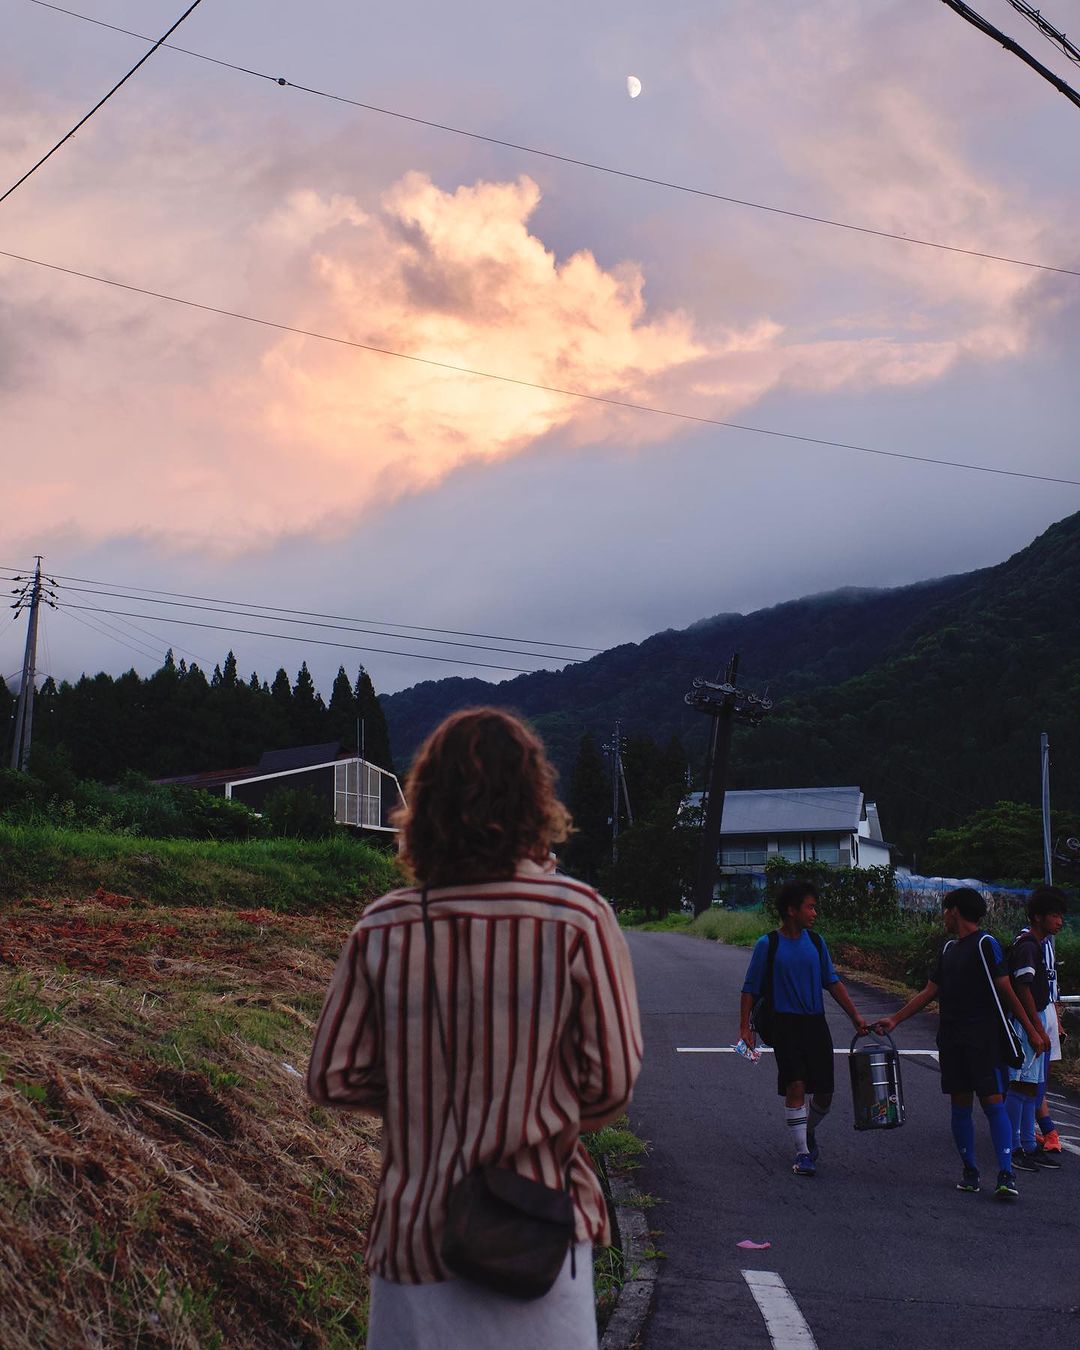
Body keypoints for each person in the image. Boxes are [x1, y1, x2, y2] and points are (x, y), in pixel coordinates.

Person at [307, 707, 643, 1350]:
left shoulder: (383, 926)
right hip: (538, 1230)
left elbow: (333, 1074)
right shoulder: (578, 916)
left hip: (415, 1238)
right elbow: (613, 1084)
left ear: (424, 806)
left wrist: (424, 1093)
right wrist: (529, 1103)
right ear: (535, 802)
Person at [876, 887, 1050, 1200]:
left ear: (955, 911)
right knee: (960, 1106)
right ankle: (970, 1171)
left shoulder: (986, 943)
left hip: (983, 1039)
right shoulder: (948, 949)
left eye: (945, 910)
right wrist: (895, 1019)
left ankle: (1006, 1174)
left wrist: (1032, 1029)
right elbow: (930, 991)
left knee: (992, 1103)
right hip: (953, 1039)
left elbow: (1007, 990)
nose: (943, 916)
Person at [739, 879, 869, 1177]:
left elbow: (832, 981)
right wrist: (744, 1028)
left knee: (824, 1093)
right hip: (784, 1025)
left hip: (815, 1024)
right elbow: (749, 989)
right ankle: (803, 1153)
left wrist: (855, 1017)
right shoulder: (767, 944)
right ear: (791, 910)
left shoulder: (816, 942)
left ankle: (807, 1132)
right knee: (795, 1084)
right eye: (810, 907)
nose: (814, 913)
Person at [1006, 886, 1067, 1171]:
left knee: (1031, 1087)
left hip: (1036, 1018)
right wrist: (1034, 1028)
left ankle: (1029, 1145)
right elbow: (1023, 987)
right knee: (1020, 1084)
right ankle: (1014, 1146)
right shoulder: (1028, 944)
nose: (1060, 921)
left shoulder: (1039, 944)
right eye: (1054, 915)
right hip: (1026, 1021)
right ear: (1038, 917)